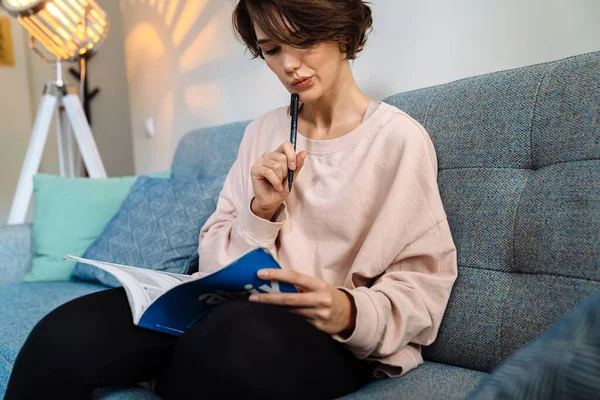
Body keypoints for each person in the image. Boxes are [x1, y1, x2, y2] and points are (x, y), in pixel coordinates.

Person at [5, 0, 457, 399]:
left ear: (342, 31)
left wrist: (349, 309)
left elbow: (423, 284)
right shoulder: (262, 132)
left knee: (230, 341)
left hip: (328, 338)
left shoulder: (398, 140)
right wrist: (261, 213)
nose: (289, 65)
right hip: (232, 310)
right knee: (64, 334)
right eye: (272, 50)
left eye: (303, 40)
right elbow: (215, 259)